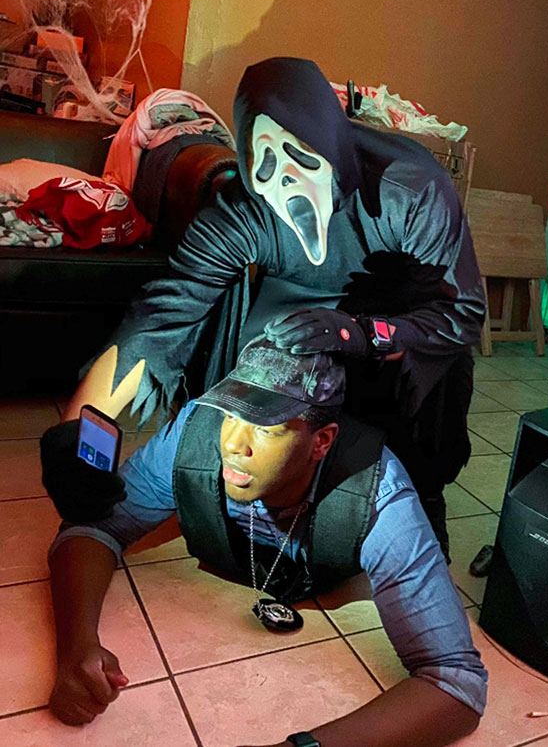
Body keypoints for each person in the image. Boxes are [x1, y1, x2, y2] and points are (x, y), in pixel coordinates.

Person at [63, 57, 486, 558]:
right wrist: (77, 431)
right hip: (293, 301)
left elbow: (461, 313)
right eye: (264, 162)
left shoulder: (408, 187)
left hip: (398, 312)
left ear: (331, 147)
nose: (284, 178)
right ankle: (265, 502)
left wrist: (359, 333)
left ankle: (424, 494)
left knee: (437, 371)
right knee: (263, 375)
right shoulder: (241, 211)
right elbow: (160, 319)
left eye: (300, 156)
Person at [43, 337, 487, 745]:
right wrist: (76, 646)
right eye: (231, 415)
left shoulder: (379, 496)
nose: (234, 444)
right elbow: (93, 529)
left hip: (337, 582)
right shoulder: (197, 428)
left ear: (321, 441)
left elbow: (456, 682)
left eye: (267, 428)